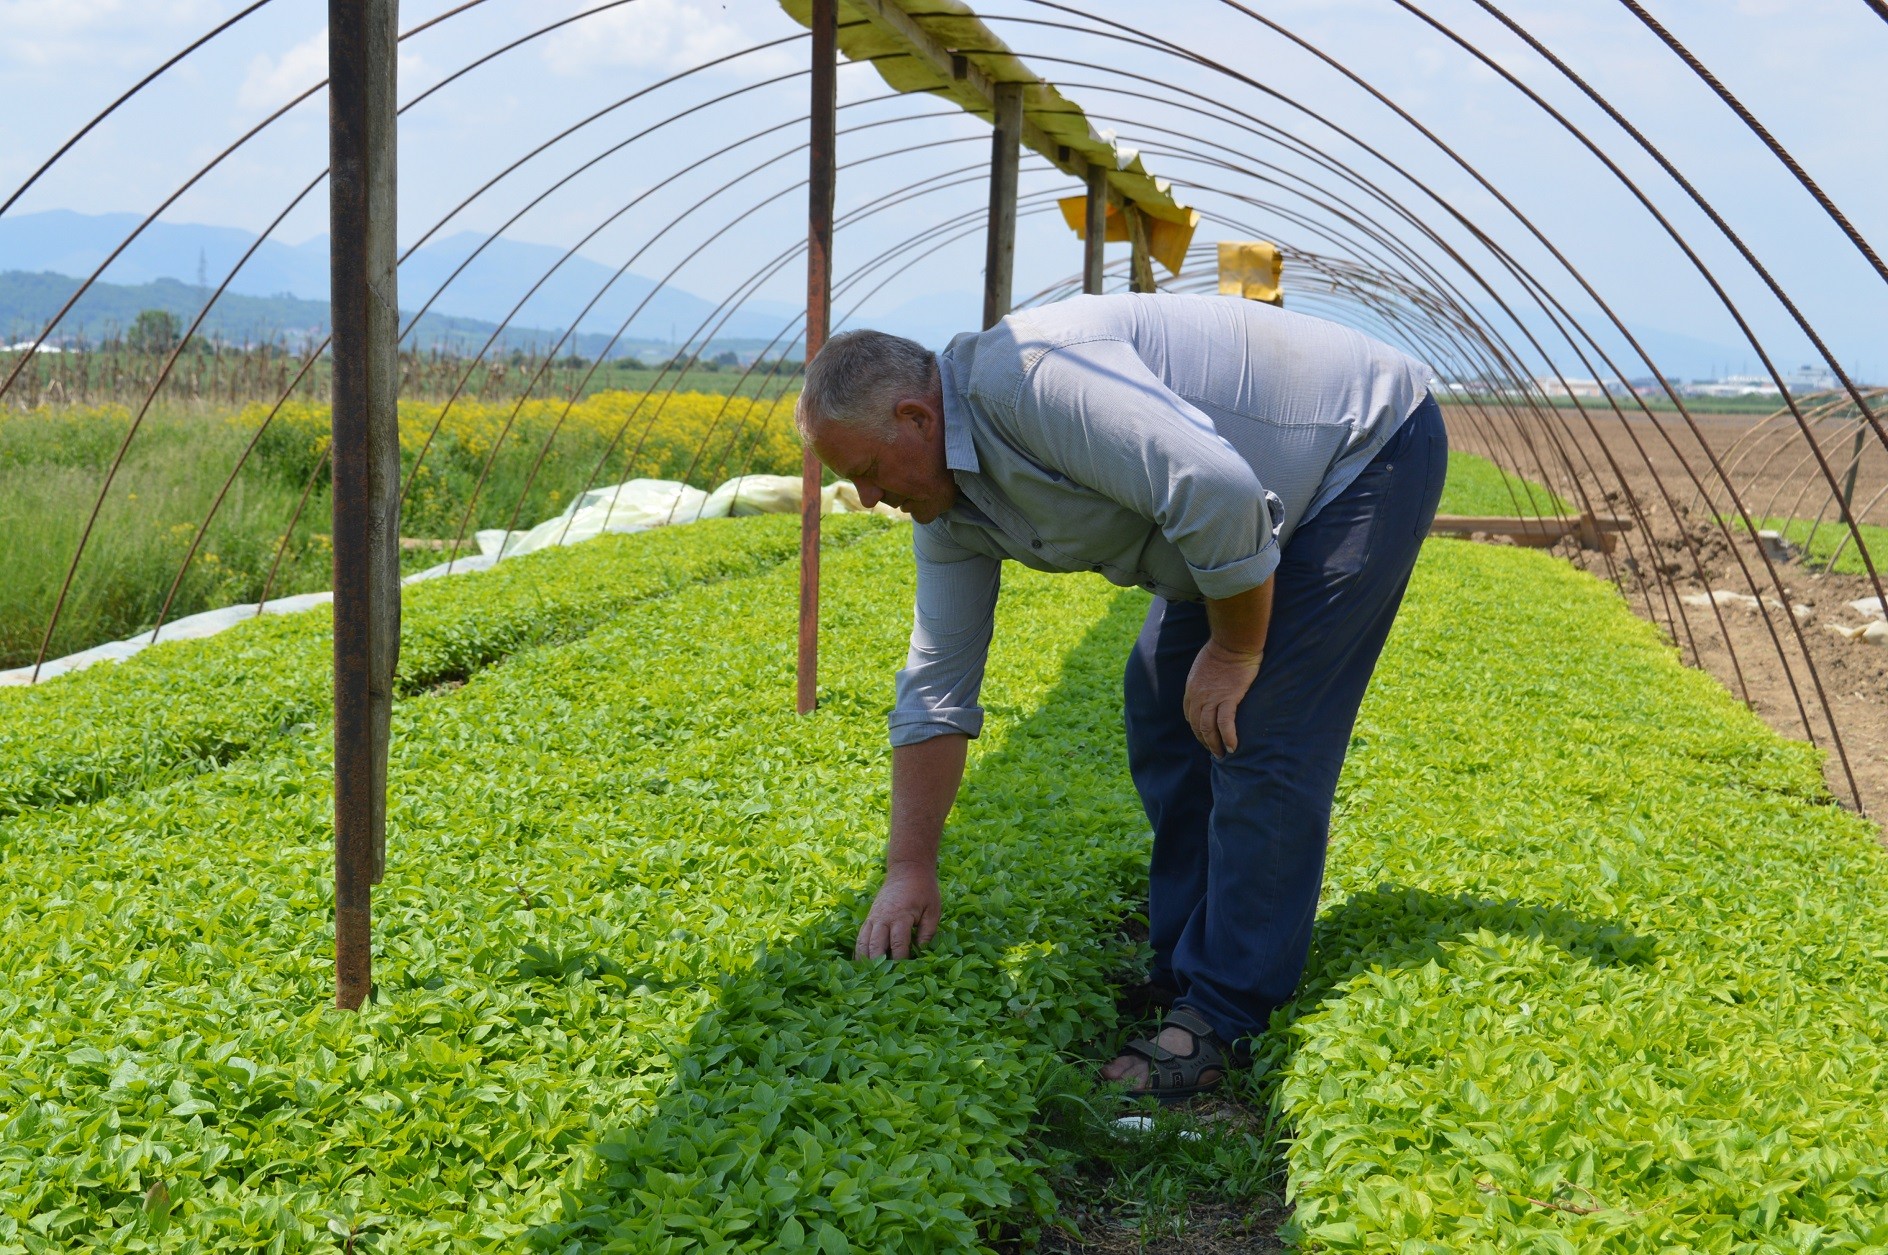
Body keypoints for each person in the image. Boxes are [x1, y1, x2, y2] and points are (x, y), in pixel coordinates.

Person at [796, 292, 1446, 1101]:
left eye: (864, 472)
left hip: (1359, 451)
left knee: (1259, 724)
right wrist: (908, 867)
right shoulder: (948, 514)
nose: (866, 498)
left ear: (916, 418)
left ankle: (1225, 1010)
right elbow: (937, 682)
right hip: (1222, 518)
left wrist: (1237, 649)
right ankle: (1184, 961)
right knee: (1158, 696)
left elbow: (1220, 490)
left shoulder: (1029, 381)